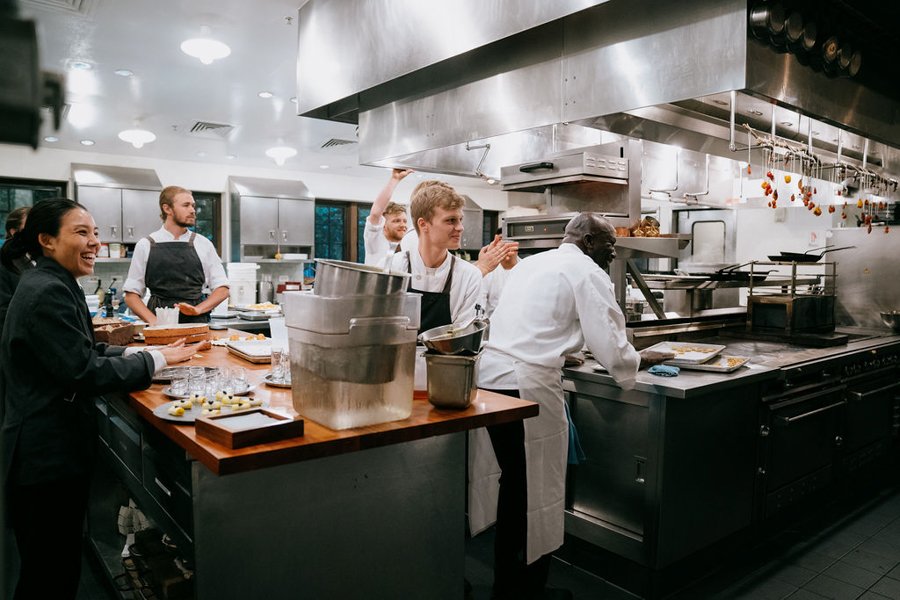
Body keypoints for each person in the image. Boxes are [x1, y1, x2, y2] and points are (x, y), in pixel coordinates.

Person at [0, 199, 200, 599]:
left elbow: (83, 350)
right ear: (46, 240)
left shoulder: (53, 280)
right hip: (44, 456)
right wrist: (155, 358)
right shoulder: (47, 291)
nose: (95, 242)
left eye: (94, 232)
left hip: (49, 450)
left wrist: (139, 353)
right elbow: (84, 372)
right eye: (82, 232)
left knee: (54, 566)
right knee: (49, 575)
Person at [470, 213, 673, 600]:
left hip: (492, 382)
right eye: (610, 248)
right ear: (589, 242)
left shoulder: (535, 263)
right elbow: (612, 345)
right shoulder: (586, 270)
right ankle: (526, 592)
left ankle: (506, 585)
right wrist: (639, 360)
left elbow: (533, 325)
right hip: (525, 388)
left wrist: (566, 351)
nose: (612, 257)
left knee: (513, 487)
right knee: (533, 491)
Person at [385, 180, 482, 332]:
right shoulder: (391, 267)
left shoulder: (469, 276)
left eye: (460, 220)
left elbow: (462, 335)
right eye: (451, 220)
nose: (460, 227)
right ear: (423, 224)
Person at [124, 186, 229, 324]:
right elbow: (131, 295)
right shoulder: (146, 245)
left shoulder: (204, 244)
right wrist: (155, 322)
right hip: (158, 321)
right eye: (186, 205)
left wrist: (198, 309)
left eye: (193, 205)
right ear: (167, 209)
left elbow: (223, 289)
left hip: (197, 324)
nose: (192, 210)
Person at [364, 168, 413, 268]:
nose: (403, 225)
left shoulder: (407, 246)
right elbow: (375, 213)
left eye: (404, 221)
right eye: (396, 221)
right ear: (384, 225)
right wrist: (395, 179)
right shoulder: (374, 241)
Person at [0, 206, 31, 334]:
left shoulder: (35, 259)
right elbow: (3, 313)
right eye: (30, 227)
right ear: (14, 232)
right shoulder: (5, 263)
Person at [478, 229, 520, 319]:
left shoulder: (527, 268)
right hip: (493, 327)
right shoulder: (488, 272)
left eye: (510, 240)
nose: (505, 244)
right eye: (501, 240)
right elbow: (480, 305)